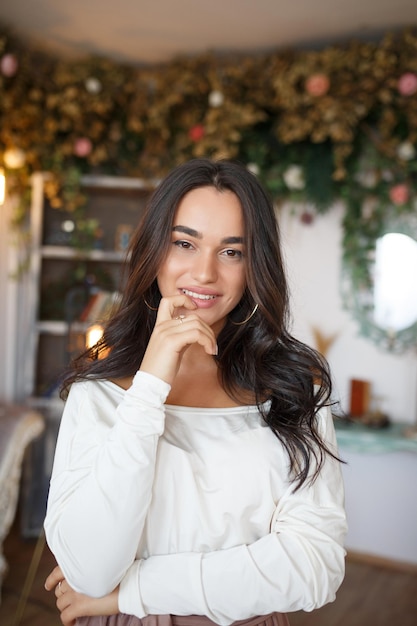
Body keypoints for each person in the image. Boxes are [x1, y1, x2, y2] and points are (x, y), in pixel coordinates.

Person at [44, 158, 347, 626]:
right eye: (184, 243)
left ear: (254, 265)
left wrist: (137, 589)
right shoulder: (99, 395)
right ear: (154, 251)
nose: (204, 273)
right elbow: (91, 570)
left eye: (232, 252)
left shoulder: (292, 392)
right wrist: (149, 386)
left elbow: (315, 568)